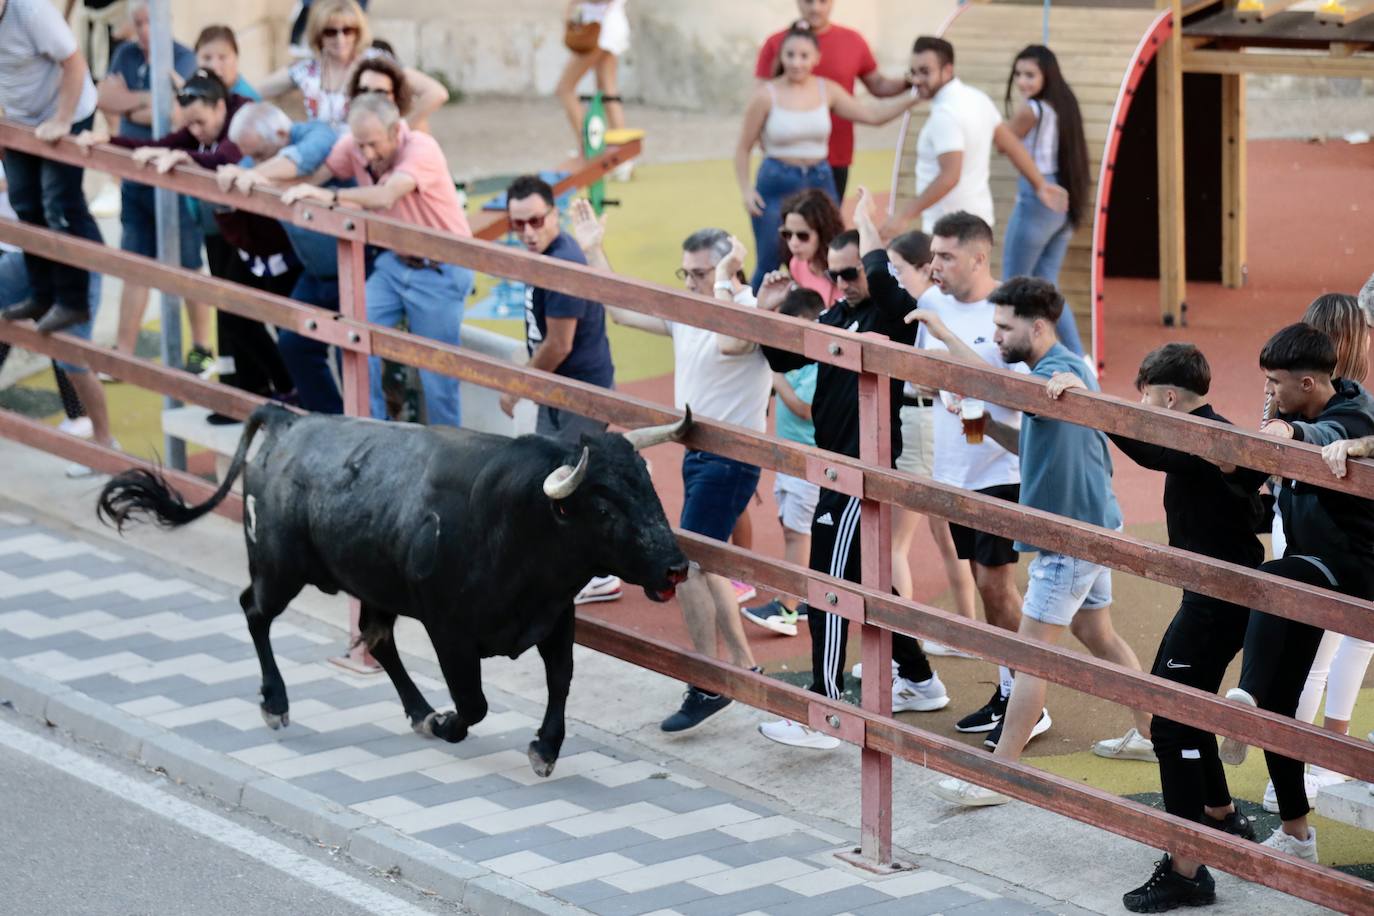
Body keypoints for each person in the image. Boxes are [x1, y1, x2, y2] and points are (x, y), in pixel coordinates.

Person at [918, 277, 1148, 806]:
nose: (996, 337)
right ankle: (1154, 732)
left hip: (1068, 538)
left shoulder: (1053, 377)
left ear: (1037, 326)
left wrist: (941, 331)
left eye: (1004, 327)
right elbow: (1033, 443)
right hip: (1096, 524)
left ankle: (1000, 776)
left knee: (1030, 656)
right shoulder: (1059, 371)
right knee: (1097, 633)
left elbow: (989, 378)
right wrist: (990, 429)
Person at [572, 205, 770, 730]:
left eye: (702, 273)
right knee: (708, 565)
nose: (692, 283)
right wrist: (593, 246)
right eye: (687, 273)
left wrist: (727, 281)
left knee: (686, 565)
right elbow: (621, 310)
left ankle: (707, 682)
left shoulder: (746, 306)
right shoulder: (688, 309)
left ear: (729, 270)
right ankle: (746, 670)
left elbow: (733, 341)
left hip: (729, 458)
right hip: (699, 455)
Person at [756, 228, 947, 750]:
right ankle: (920, 679)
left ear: (872, 267)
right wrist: (767, 308)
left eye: (850, 272)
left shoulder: (893, 313)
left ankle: (827, 707)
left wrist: (874, 247)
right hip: (836, 468)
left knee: (828, 587)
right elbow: (784, 360)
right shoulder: (838, 314)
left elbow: (886, 284)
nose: (841, 283)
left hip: (860, 473)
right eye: (833, 274)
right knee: (869, 582)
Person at [1093, 344, 1265, 912]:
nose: (1144, 410)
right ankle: (1220, 816)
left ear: (1169, 398)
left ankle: (1188, 870)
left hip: (1219, 600)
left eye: (1147, 400)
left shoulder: (1206, 440)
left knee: (1171, 726)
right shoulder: (1209, 435)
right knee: (1181, 711)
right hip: (1212, 594)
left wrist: (1090, 408)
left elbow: (1144, 450)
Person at [1217, 322, 1374, 863]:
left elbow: (1330, 437)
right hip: (1317, 564)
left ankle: (1246, 695)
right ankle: (1297, 834)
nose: (1269, 391)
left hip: (1356, 570)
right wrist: (1237, 464)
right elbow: (1261, 493)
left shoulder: (1353, 413)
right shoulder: (1290, 413)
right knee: (1283, 705)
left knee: (1274, 577)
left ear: (1308, 383)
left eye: (1276, 382)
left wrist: (1290, 438)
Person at [905, 212, 1035, 743]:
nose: (935, 265)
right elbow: (930, 376)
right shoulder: (931, 305)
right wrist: (947, 393)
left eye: (946, 256)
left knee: (997, 587)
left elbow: (1012, 389)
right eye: (933, 255)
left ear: (979, 258)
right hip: (956, 469)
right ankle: (1010, 689)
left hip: (1003, 470)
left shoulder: (1010, 310)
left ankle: (1027, 700)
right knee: (988, 589)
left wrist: (972, 394)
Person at [281, 93, 473, 429]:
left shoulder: (421, 147)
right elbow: (314, 176)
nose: (367, 154)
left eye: (373, 145)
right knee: (353, 332)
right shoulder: (353, 145)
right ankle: (371, 431)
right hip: (394, 265)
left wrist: (330, 196)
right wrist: (268, 181)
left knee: (438, 376)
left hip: (440, 271)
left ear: (396, 131)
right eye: (361, 145)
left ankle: (453, 460)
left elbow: (386, 194)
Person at [1259, 292, 1374, 814]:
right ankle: (1316, 760)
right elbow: (1331, 432)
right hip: (1321, 541)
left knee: (1319, 651)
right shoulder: (1338, 399)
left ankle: (1308, 762)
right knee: (1331, 650)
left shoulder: (1318, 392)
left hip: (1302, 530)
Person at [0, 0, 120, 471]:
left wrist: (64, 122)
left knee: (56, 201)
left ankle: (103, 441)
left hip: (68, 110)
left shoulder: (30, 12)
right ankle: (48, 293)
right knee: (32, 206)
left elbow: (75, 63)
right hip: (26, 121)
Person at [498, 175, 619, 606]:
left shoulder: (563, 264)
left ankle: (594, 573)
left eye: (535, 221)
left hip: (580, 393)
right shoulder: (545, 255)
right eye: (518, 224)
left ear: (553, 214)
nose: (528, 232)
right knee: (568, 480)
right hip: (562, 390)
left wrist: (519, 385)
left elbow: (559, 344)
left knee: (564, 484)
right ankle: (586, 566)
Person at [738, 20, 921, 288]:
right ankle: (753, 323)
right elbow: (742, 147)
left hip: (819, 180)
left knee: (830, 258)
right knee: (769, 259)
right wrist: (746, 190)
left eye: (804, 56)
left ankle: (832, 318)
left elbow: (872, 116)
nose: (796, 63)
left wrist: (914, 97)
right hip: (776, 180)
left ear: (816, 58)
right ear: (781, 57)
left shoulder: (828, 91)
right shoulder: (766, 95)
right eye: (790, 55)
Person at [95, 0, 213, 369]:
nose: (146, 30)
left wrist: (131, 104)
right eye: (139, 23)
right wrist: (148, 101)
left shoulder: (183, 57)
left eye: (151, 21)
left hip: (175, 178)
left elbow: (175, 113)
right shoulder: (125, 55)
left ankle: (202, 348)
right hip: (135, 176)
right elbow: (105, 100)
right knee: (134, 261)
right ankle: (125, 352)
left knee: (188, 265)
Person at [882, 225, 978, 657]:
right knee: (947, 538)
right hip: (933, 426)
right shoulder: (934, 306)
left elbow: (934, 376)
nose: (890, 276)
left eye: (895, 268)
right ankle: (966, 632)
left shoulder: (927, 306)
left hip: (923, 426)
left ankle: (905, 651)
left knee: (893, 544)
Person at [216, 102, 347, 414]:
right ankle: (328, 419)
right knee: (293, 344)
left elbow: (299, 160)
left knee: (350, 353)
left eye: (259, 154)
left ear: (280, 132)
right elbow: (233, 167)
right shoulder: (263, 156)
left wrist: (252, 174)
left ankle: (363, 427)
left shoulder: (317, 132)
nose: (253, 161)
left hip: (357, 266)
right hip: (317, 271)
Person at [884, 37, 1067, 238]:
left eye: (925, 72)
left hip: (949, 231)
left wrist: (904, 214)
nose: (917, 80)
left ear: (947, 70)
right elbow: (1011, 144)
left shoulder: (945, 114)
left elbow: (950, 176)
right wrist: (1040, 184)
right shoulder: (978, 98)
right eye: (913, 72)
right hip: (979, 224)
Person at [0, 157, 106, 463]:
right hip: (24, 253)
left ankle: (100, 437)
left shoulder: (41, 156)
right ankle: (91, 427)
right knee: (24, 330)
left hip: (63, 257)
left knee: (70, 356)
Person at [755, 0, 915, 200]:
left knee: (827, 227)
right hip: (786, 160)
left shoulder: (853, 41)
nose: (815, 8)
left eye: (823, 1)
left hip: (835, 154)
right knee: (785, 228)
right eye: (808, 1)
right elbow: (760, 101)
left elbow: (879, 86)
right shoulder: (775, 43)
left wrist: (912, 82)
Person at [742, 287, 825, 637]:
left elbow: (807, 410)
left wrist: (775, 377)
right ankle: (806, 597)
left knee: (796, 531)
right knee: (797, 527)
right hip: (791, 460)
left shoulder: (819, 362)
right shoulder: (795, 357)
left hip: (808, 461)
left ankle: (787, 608)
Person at [1000, 45, 1090, 357]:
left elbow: (1003, 141)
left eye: (1030, 75)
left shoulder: (1031, 109)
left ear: (1046, 76)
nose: (1022, 81)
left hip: (1039, 198)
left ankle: (1012, 359)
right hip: (1061, 197)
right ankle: (1078, 357)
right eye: (1019, 74)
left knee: (1013, 284)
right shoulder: (1063, 104)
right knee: (1047, 287)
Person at [259, 0, 444, 133]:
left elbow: (436, 93)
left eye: (348, 30)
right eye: (331, 32)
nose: (340, 39)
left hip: (364, 152)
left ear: (358, 32)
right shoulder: (307, 70)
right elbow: (253, 92)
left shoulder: (374, 62)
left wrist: (399, 129)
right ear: (318, 35)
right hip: (324, 155)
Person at [554, 0, 630, 154]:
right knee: (608, 91)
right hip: (609, 26)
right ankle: (621, 155)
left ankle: (588, 146)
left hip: (598, 29)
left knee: (565, 88)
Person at [345, 52, 447, 134]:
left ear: (395, 94)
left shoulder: (413, 135)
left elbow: (439, 93)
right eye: (364, 90)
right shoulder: (352, 129)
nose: (371, 98)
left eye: (380, 92)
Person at [775, 188, 843, 306]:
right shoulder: (796, 265)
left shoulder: (846, 269)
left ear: (823, 233)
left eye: (803, 236)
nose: (793, 243)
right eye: (787, 234)